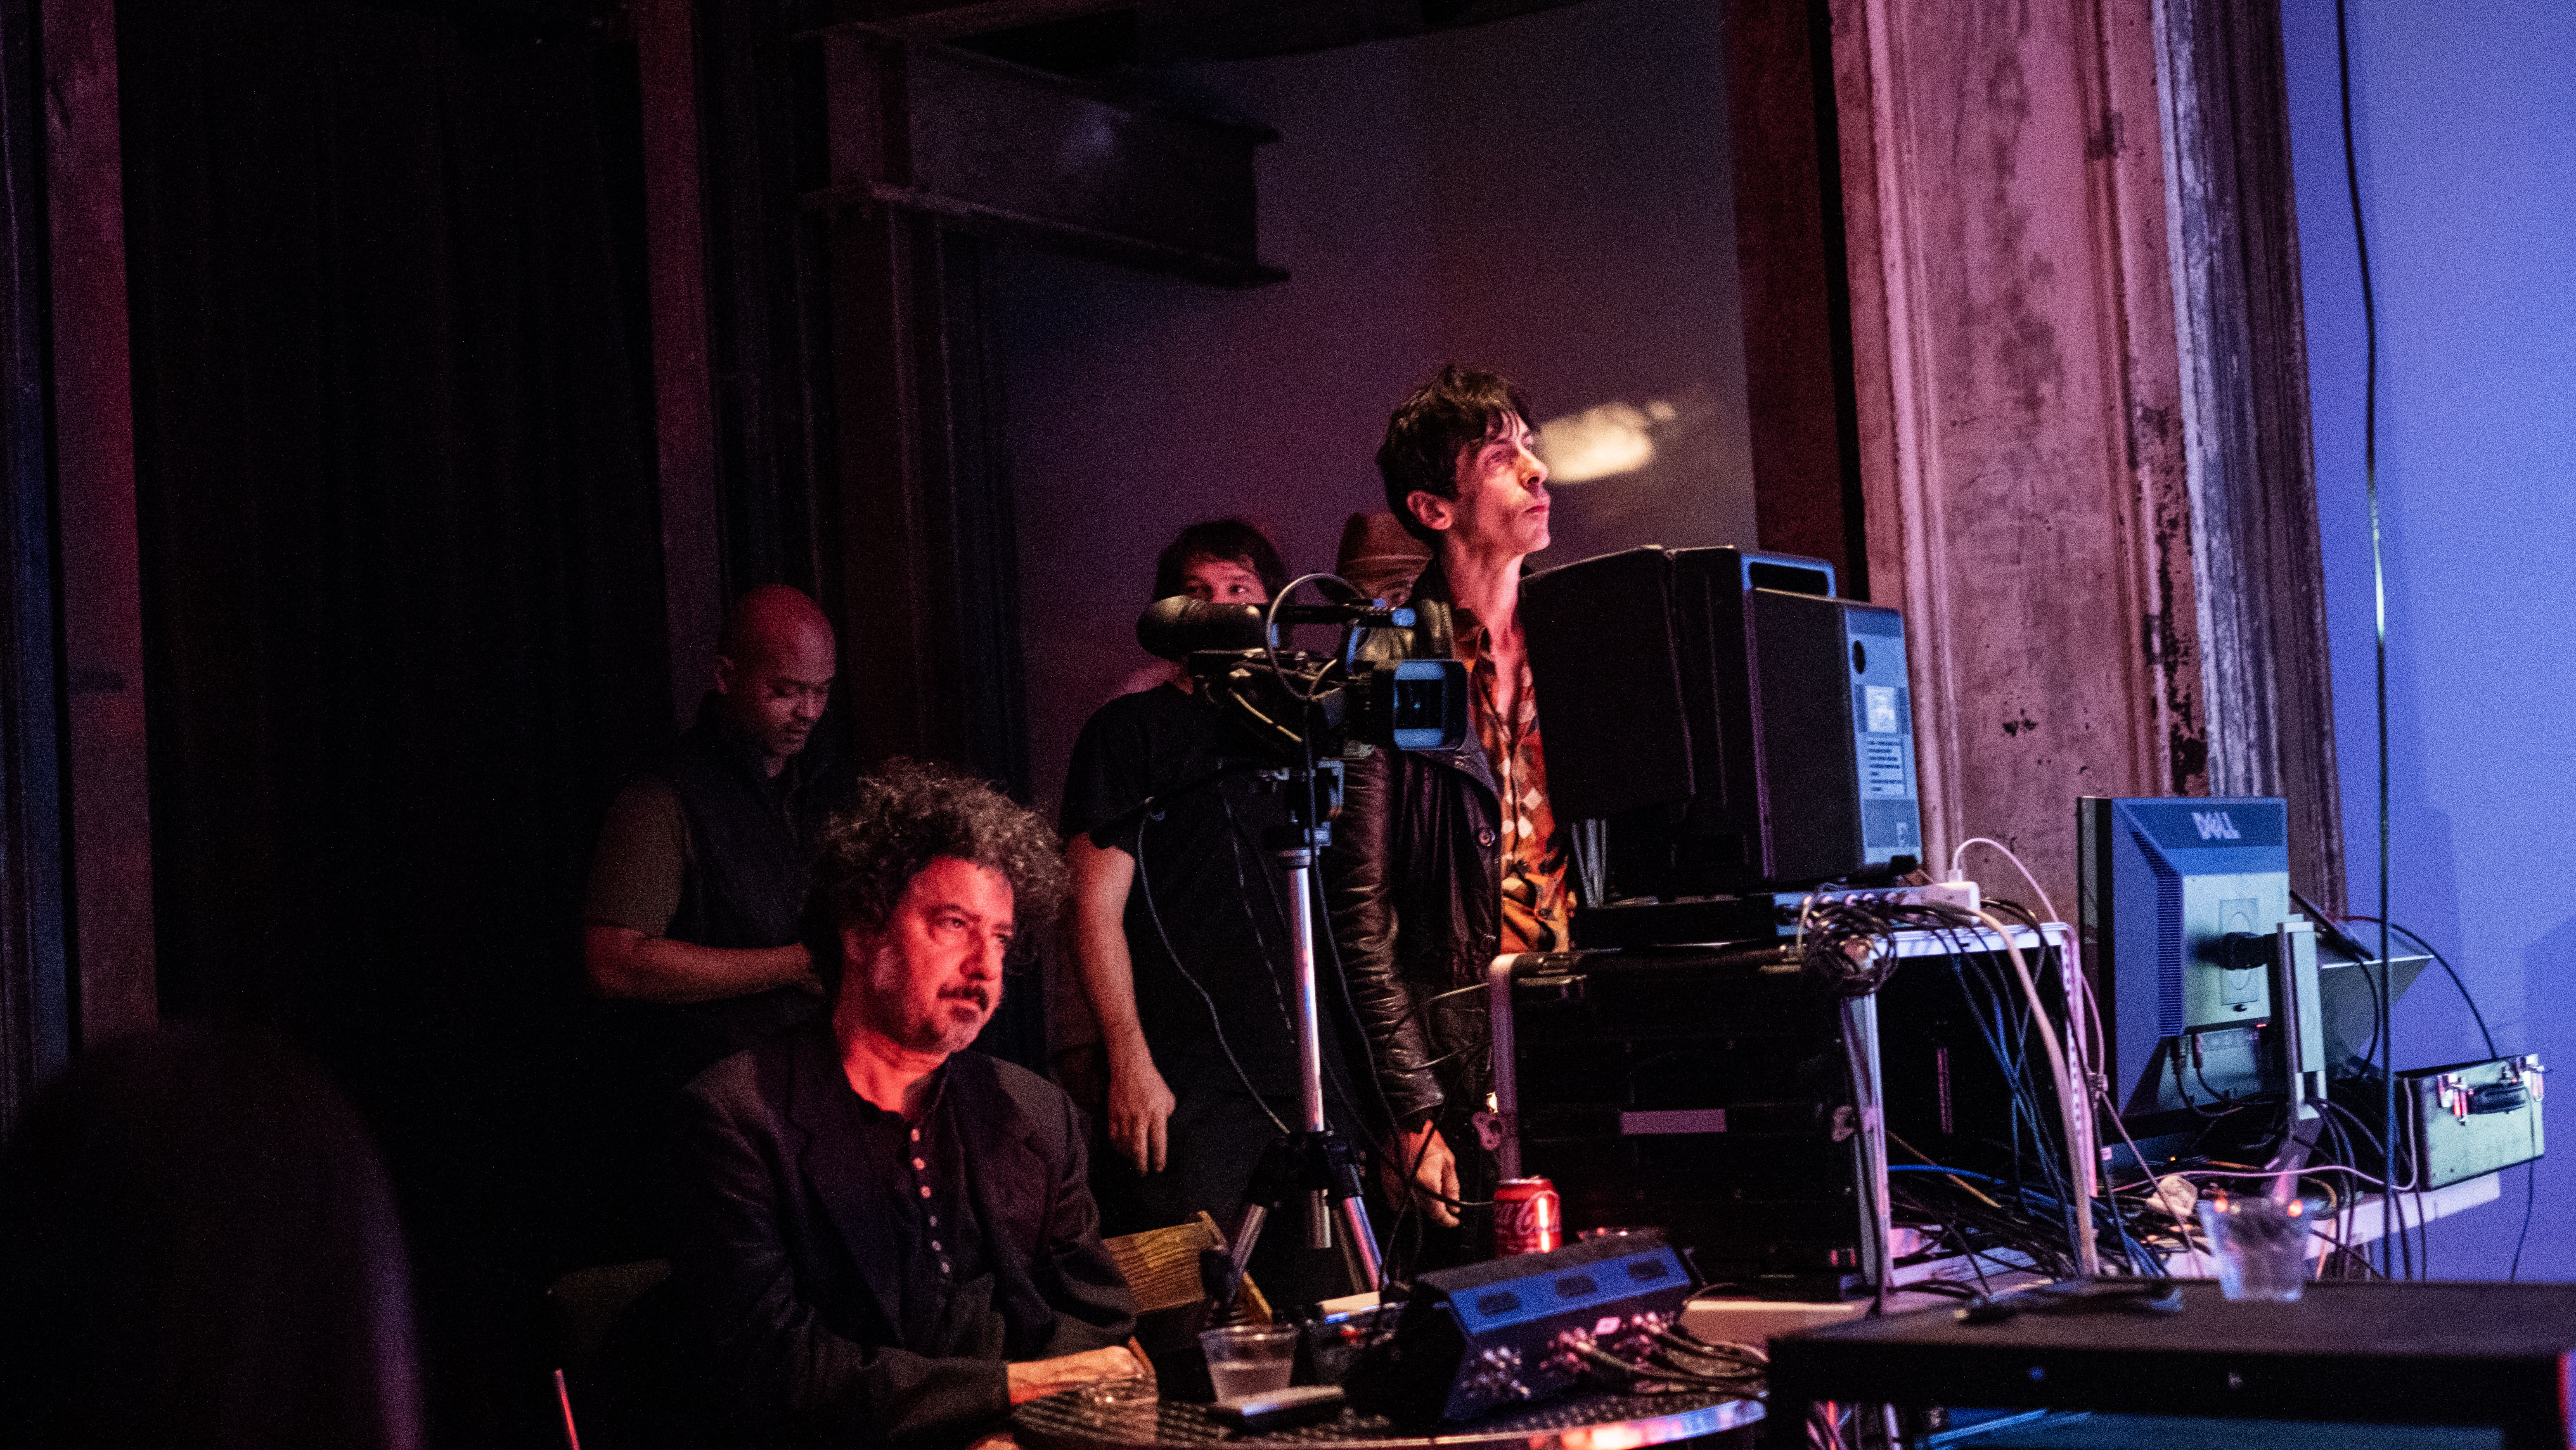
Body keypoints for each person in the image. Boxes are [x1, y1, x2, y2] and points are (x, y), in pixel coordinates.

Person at [663, 760, 1141, 1449]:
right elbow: (781, 1372)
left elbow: (1095, 1317)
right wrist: (1012, 1392)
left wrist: (1017, 1434)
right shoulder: (736, 1119)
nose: (985, 966)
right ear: (862, 932)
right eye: (954, 923)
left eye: (1001, 937)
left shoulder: (1035, 1112)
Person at [1057, 519, 1367, 1308]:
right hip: (1188, 1082)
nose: (1223, 611)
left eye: (1240, 592)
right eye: (1199, 596)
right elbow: (1091, 907)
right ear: (1169, 616)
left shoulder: (1310, 720)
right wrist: (1128, 1060)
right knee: (1199, 1309)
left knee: (1337, 1312)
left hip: (1315, 1077)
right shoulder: (1128, 732)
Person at [1325, 365, 1574, 1263]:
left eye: (1531, 449)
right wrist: (1412, 1108)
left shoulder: (1579, 635)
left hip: (1582, 1029)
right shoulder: (1388, 656)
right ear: (1436, 508)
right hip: (1464, 1051)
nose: (1538, 472)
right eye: (1505, 458)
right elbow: (1355, 912)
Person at [585, 584, 853, 1087]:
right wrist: (790, 965)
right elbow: (612, 962)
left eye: (822, 690)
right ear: (726, 676)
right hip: (714, 1094)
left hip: (817, 1080)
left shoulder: (829, 785)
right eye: (787, 690)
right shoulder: (665, 797)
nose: (810, 711)